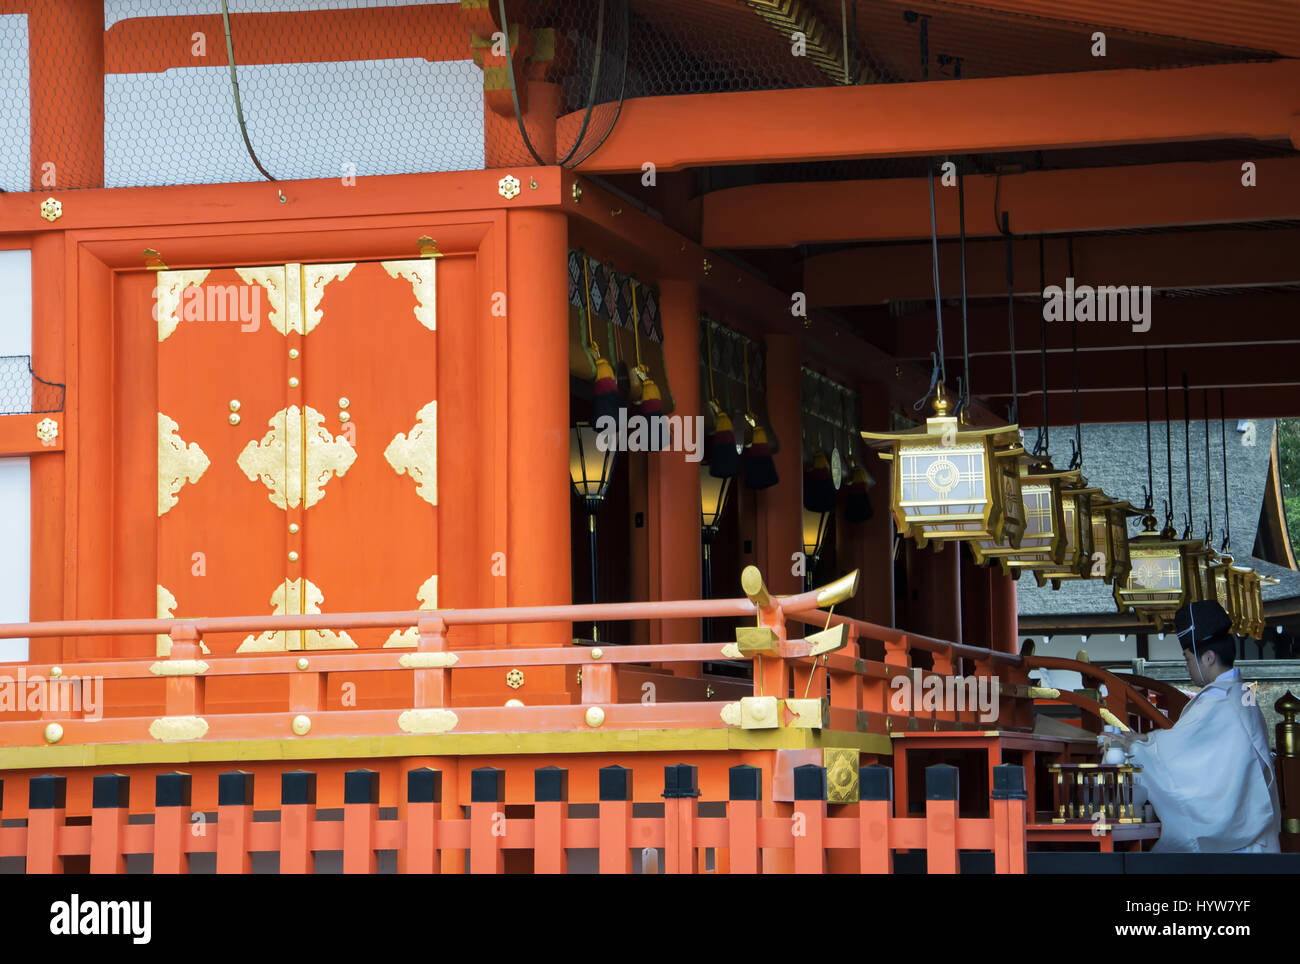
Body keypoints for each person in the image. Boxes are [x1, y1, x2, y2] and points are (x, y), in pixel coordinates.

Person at [1106, 600, 1281, 853]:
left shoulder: (1217, 701)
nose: (1187, 667)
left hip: (1232, 844)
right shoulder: (1243, 693)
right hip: (1251, 828)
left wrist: (1137, 745)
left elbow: (1176, 754)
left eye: (1188, 658)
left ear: (1208, 657)